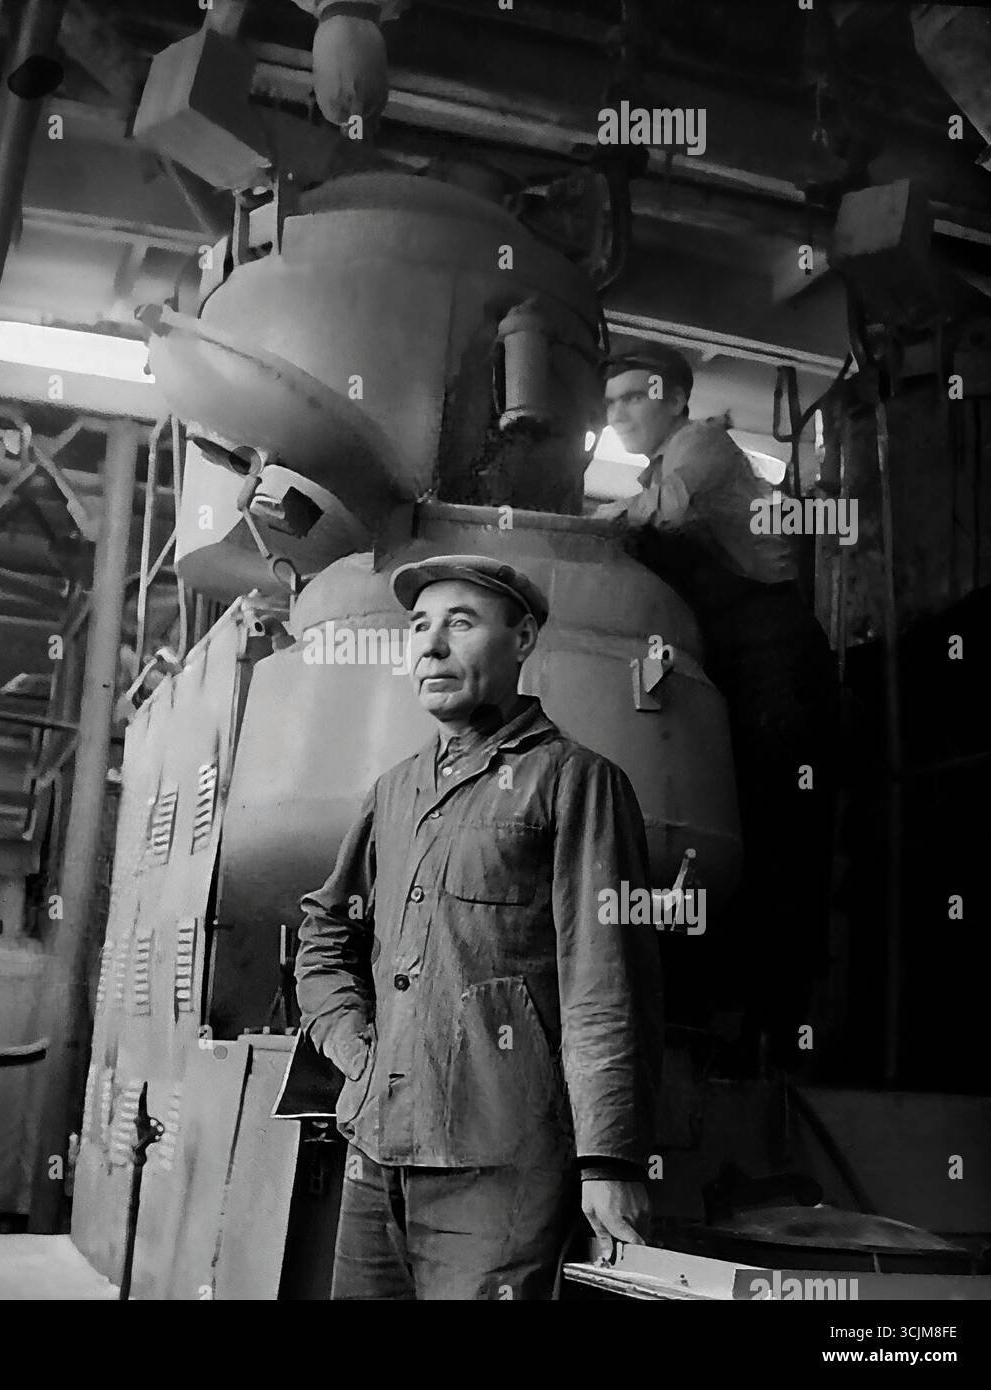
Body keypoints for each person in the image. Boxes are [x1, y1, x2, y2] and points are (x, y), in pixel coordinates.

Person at [293, 555, 663, 1300]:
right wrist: (351, 1044)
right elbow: (324, 933)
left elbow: (605, 979)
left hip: (498, 1166)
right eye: (419, 627)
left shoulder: (575, 781)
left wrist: (609, 1161)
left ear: (523, 638)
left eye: (460, 624)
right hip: (376, 1148)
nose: (430, 646)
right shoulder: (394, 790)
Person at [595, 339, 838, 1064]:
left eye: (631, 397)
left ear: (670, 394)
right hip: (729, 670)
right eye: (607, 405)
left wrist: (566, 531)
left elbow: (660, 515)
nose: (618, 415)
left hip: (776, 663)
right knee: (736, 833)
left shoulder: (699, 448)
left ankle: (779, 1039)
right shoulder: (659, 464)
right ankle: (725, 1020)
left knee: (779, 842)